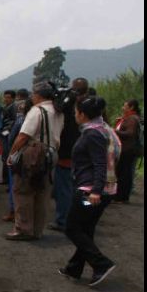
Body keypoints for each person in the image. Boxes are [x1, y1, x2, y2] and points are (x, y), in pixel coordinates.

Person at [59, 96, 119, 287]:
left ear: (82, 114)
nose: (75, 115)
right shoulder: (105, 129)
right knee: (86, 228)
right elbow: (116, 153)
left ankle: (101, 263)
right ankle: (74, 268)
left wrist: (95, 191)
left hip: (89, 194)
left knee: (72, 227)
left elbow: (100, 164)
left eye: (76, 112)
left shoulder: (92, 134)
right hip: (106, 191)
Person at [6, 81, 64, 240]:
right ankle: (37, 230)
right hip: (51, 153)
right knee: (42, 192)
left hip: (34, 154)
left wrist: (12, 154)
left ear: (38, 95)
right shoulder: (58, 110)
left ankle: (23, 229)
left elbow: (23, 136)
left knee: (23, 190)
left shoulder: (37, 111)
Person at [51, 77, 89, 232]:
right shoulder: (90, 103)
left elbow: (58, 107)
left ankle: (63, 220)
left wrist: (58, 95)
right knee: (76, 186)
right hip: (82, 149)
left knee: (64, 187)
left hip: (67, 149)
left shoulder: (71, 101)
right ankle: (76, 217)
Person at [2, 89, 30, 222]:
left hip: (18, 156)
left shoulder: (19, 120)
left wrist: (10, 154)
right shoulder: (35, 117)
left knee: (16, 185)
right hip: (32, 157)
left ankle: (14, 212)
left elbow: (13, 138)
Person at [113, 99, 143, 203]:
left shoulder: (132, 119)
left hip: (128, 151)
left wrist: (115, 132)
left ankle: (122, 197)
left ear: (131, 107)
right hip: (127, 150)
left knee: (124, 174)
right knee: (123, 173)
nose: (123, 107)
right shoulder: (129, 118)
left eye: (125, 106)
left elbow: (130, 133)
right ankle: (121, 196)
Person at [0, 90, 17, 187]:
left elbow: (13, 123)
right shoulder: (6, 107)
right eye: (5, 97)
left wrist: (4, 132)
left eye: (8, 97)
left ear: (13, 98)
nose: (6, 99)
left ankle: (9, 181)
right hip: (5, 134)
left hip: (8, 135)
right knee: (4, 157)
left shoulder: (13, 107)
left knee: (8, 156)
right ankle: (5, 179)